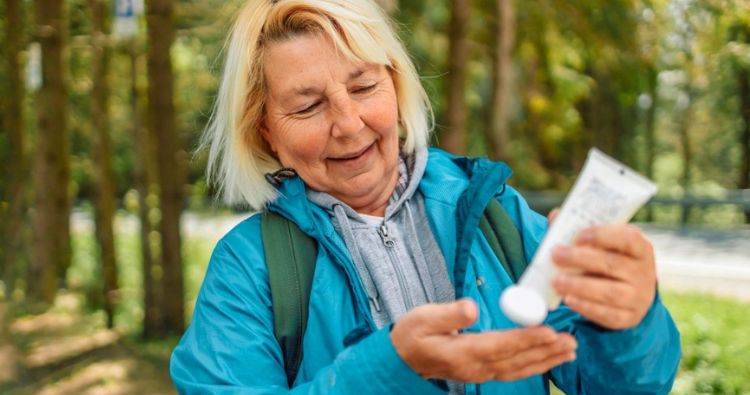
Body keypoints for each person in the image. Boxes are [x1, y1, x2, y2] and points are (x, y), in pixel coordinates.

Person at [170, 0, 681, 393]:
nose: (350, 125)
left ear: (396, 84)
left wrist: (631, 324)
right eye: (307, 107)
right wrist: (388, 370)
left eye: (365, 86)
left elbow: (613, 383)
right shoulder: (249, 268)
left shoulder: (494, 214)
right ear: (264, 133)